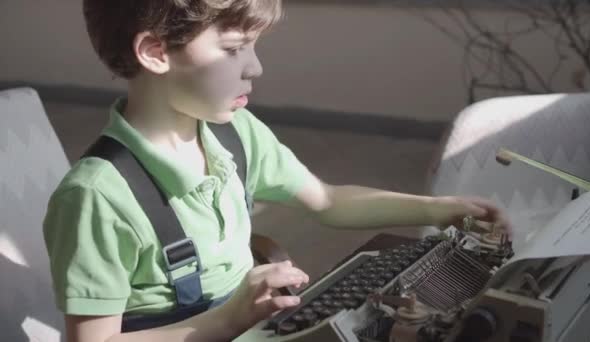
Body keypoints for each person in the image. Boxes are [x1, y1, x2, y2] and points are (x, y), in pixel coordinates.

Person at [42, 0, 511, 341]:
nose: (256, 67)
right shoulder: (96, 197)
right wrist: (227, 320)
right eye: (234, 48)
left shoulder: (234, 132)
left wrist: (438, 208)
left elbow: (327, 200)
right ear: (155, 51)